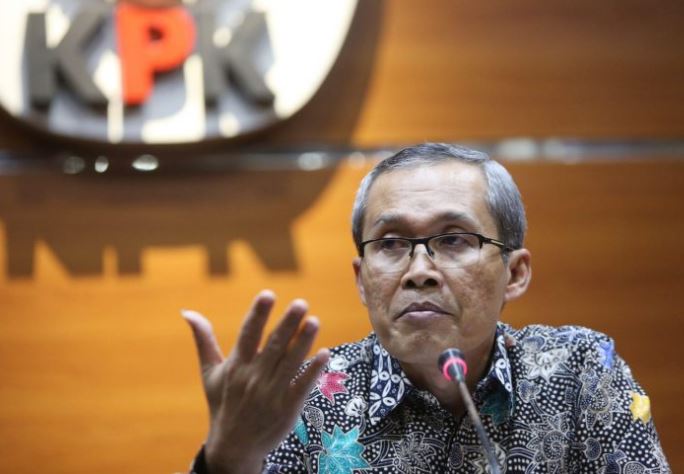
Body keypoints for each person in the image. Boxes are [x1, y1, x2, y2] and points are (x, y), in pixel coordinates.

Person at [183, 143, 670, 473]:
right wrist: (227, 462)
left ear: (515, 273)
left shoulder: (581, 373)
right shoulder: (303, 402)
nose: (419, 271)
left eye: (454, 239)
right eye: (391, 243)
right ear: (362, 279)